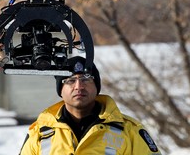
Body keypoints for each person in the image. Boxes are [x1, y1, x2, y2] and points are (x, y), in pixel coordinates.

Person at [19, 56, 162, 155]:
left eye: (86, 79)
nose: (79, 86)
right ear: (60, 90)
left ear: (97, 86)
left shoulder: (129, 131)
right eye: (70, 80)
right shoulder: (40, 132)